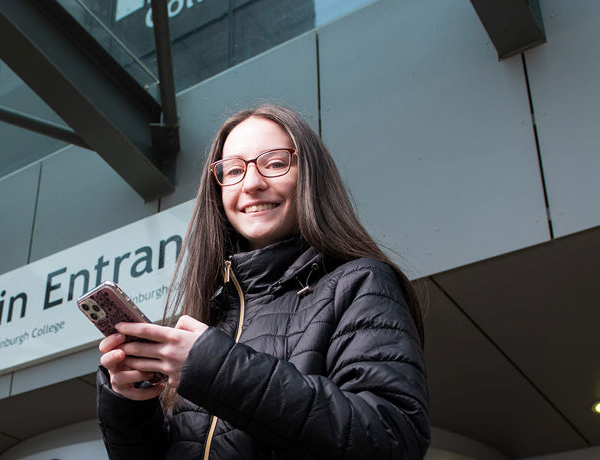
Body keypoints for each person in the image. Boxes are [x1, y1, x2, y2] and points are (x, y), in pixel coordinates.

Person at [96, 105, 430, 459]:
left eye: (274, 163)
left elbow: (393, 437)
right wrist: (129, 406)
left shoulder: (360, 282)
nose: (253, 183)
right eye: (235, 170)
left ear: (310, 175)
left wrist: (216, 369)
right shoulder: (214, 314)